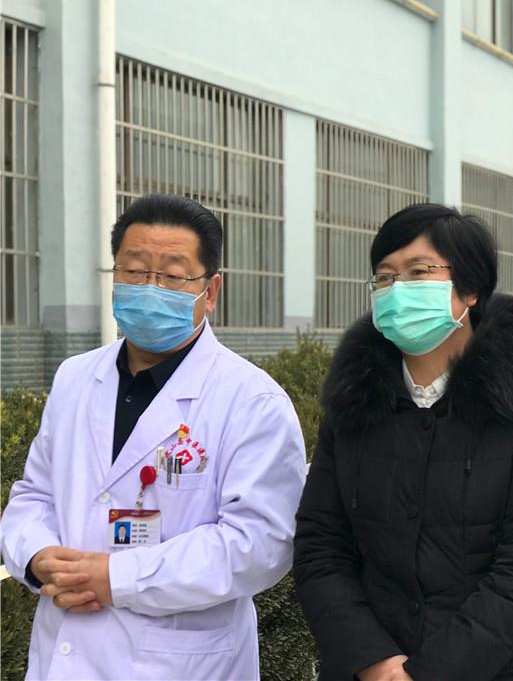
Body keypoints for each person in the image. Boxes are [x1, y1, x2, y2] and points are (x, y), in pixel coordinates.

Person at [0, 194, 306, 680]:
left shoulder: (252, 400)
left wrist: (116, 578)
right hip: (66, 650)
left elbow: (259, 544)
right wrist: (37, 558)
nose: (150, 288)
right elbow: (34, 494)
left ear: (210, 291)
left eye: (172, 275)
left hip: (183, 663)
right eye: (135, 271)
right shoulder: (75, 378)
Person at [293, 204, 513, 681]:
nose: (397, 289)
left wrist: (428, 673)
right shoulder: (354, 405)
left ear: (470, 289)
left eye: (418, 271)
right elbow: (319, 545)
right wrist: (374, 660)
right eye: (384, 277)